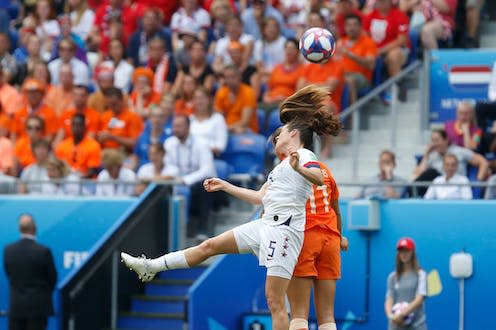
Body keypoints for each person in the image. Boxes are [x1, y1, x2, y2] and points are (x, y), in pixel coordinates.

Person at [121, 85, 342, 330]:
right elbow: (259, 197)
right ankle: (151, 266)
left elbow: (317, 176)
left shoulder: (303, 155)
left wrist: (299, 168)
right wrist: (225, 186)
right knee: (209, 246)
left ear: (292, 133)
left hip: (285, 233)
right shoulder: (282, 166)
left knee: (274, 301)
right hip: (266, 225)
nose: (276, 137)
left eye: (280, 133)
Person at [268, 128, 348, 330]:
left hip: (303, 237)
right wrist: (341, 236)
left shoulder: (286, 172)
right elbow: (335, 209)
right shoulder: (324, 171)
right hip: (330, 239)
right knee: (328, 316)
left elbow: (273, 210)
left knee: (298, 314)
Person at [163, 114, 216, 237]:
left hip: (197, 184)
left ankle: (202, 228)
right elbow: (167, 166)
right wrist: (176, 177)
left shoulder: (201, 143)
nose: (176, 129)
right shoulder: (169, 143)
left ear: (188, 127)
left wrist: (185, 180)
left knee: (204, 185)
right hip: (177, 182)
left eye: (179, 126)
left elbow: (207, 170)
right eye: (174, 126)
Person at [3, 213, 57, 330]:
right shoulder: (43, 251)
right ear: (35, 229)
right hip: (38, 308)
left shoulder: (8, 250)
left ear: (19, 229)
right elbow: (52, 278)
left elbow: (9, 274)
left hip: (16, 307)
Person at [413, 129, 489, 196]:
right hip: (438, 188)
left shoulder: (460, 151)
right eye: (432, 141)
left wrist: (478, 182)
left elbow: (483, 162)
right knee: (429, 175)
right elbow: (417, 175)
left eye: (437, 140)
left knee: (430, 173)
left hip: (457, 185)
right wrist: (426, 154)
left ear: (446, 139)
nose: (434, 144)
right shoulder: (432, 156)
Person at [385, 237, 427, 330]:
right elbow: (389, 299)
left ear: (412, 253)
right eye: (401, 251)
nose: (404, 254)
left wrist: (402, 314)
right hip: (395, 326)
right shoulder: (392, 277)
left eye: (407, 250)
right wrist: (391, 316)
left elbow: (419, 299)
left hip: (416, 326)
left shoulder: (421, 275)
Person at [336, 13, 378, 105]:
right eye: (349, 25)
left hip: (361, 77)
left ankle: (352, 116)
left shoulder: (368, 42)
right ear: (345, 27)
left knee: (348, 80)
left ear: (360, 27)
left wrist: (350, 54)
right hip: (341, 75)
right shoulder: (340, 42)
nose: (352, 28)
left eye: (355, 25)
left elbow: (371, 65)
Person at [214, 64, 259, 134]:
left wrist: (226, 128)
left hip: (246, 130)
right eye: (227, 77)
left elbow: (245, 122)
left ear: (239, 77)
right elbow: (217, 116)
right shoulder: (221, 93)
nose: (229, 80)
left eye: (232, 77)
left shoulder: (249, 93)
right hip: (227, 130)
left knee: (240, 130)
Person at [55, 113, 102, 178]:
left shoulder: (93, 145)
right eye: (74, 125)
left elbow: (92, 171)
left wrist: (77, 179)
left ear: (84, 127)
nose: (76, 128)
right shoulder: (62, 146)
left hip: (86, 182)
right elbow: (58, 167)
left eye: (79, 125)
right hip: (66, 180)